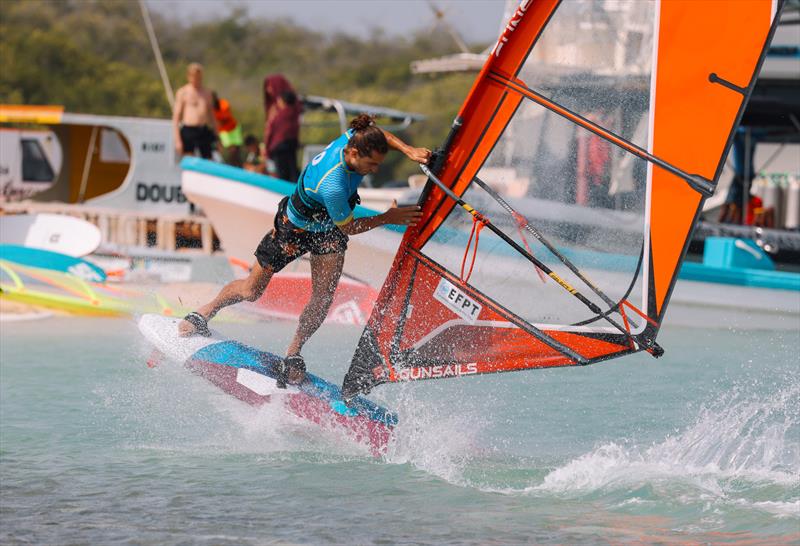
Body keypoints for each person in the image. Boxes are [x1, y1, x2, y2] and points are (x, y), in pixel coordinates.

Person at [179, 114, 431, 388]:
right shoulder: (332, 183)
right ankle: (206, 311)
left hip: (328, 230)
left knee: (323, 297)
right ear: (354, 154)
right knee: (251, 290)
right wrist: (387, 218)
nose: (373, 170)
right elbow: (348, 227)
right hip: (294, 228)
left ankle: (293, 352)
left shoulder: (353, 139)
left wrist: (408, 150)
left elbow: (379, 134)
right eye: (370, 164)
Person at [173, 63, 218, 159]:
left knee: (208, 160)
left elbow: (212, 116)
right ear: (189, 76)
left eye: (198, 75)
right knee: (189, 159)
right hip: (188, 129)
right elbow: (176, 117)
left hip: (203, 129)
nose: (196, 78)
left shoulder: (207, 93)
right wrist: (177, 140)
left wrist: (217, 136)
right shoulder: (183, 92)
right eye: (193, 75)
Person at [263, 74, 302, 182]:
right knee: (292, 170)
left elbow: (270, 129)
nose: (268, 90)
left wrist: (266, 146)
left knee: (282, 173)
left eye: (270, 86)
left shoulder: (277, 110)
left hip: (279, 145)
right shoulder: (296, 108)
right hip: (291, 143)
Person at [212, 91, 243, 166]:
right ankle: (231, 167)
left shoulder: (223, 103)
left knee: (236, 150)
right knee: (230, 151)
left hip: (233, 128)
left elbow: (225, 117)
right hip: (223, 131)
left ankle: (238, 167)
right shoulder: (210, 108)